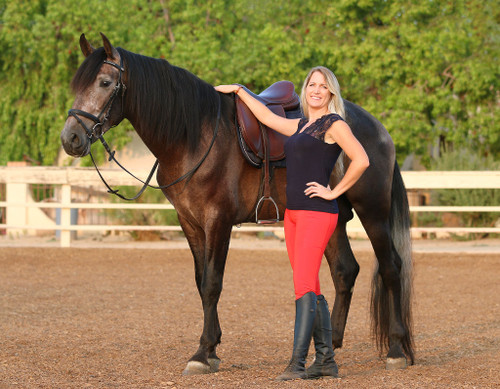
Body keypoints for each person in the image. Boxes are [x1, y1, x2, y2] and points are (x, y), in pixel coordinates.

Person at [215, 66, 369, 380]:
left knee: (302, 287)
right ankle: (326, 361)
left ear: (331, 93)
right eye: (311, 85)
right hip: (294, 215)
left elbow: (362, 159)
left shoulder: (333, 124)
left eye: (322, 87)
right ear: (305, 89)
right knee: (310, 284)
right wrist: (240, 90)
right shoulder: (300, 125)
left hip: (317, 214)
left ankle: (297, 364)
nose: (315, 90)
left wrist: (334, 191)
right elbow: (268, 119)